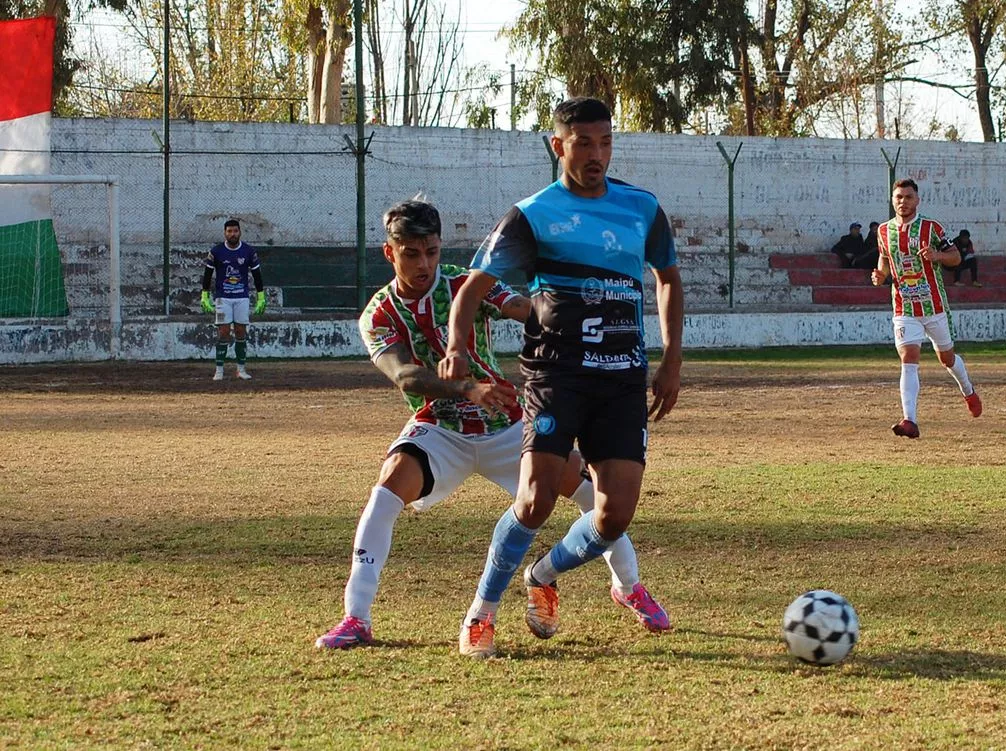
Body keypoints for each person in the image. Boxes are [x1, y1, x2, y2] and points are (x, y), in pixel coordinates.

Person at [314, 199, 670, 650]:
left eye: (432, 251)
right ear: (390, 253)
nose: (424, 264)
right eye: (411, 253)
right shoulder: (379, 314)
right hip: (440, 427)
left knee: (593, 493)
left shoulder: (466, 283)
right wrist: (467, 390)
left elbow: (521, 306)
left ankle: (628, 586)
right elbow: (405, 375)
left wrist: (566, 311)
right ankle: (356, 618)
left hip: (506, 422)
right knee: (385, 492)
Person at [437, 97, 684, 659]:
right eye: (583, 143)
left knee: (615, 514)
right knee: (534, 499)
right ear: (559, 146)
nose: (596, 154)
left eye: (605, 142)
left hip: (623, 378)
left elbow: (667, 278)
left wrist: (671, 361)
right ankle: (482, 612)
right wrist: (456, 345)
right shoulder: (532, 214)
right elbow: (473, 287)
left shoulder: (642, 208)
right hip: (556, 373)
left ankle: (544, 574)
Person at [871, 179, 982, 438]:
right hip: (903, 307)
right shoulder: (884, 231)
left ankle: (968, 390)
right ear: (892, 200)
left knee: (947, 359)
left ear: (917, 200)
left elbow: (955, 257)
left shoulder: (932, 228)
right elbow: (885, 260)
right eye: (899, 197)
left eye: (908, 197)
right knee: (908, 357)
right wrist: (880, 275)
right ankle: (909, 420)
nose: (903, 201)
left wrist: (938, 256)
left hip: (933, 306)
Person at [200, 219, 266, 380]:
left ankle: (241, 370)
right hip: (223, 298)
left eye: (235, 231)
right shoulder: (216, 251)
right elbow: (208, 274)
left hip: (242, 297)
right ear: (225, 233)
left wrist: (261, 297)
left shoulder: (248, 251)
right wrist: (205, 295)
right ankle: (219, 370)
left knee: (240, 331)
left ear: (240, 232)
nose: (232, 234)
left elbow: (257, 275)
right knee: (223, 332)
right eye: (229, 231)